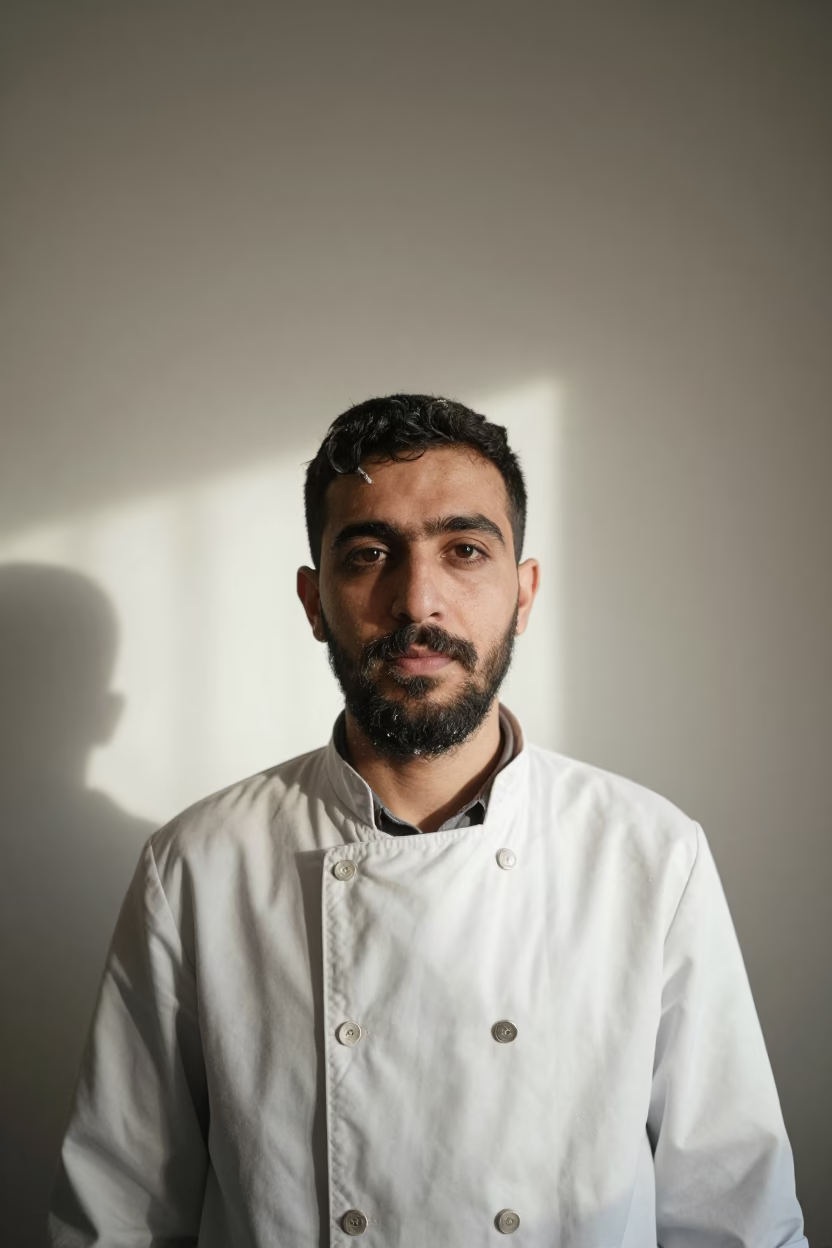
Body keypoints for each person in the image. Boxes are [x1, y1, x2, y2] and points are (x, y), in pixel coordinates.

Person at [49, 394, 807, 1247]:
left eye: (465, 550)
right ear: (312, 600)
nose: (419, 601)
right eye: (370, 553)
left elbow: (734, 1212)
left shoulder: (650, 853)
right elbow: (117, 1218)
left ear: (523, 594)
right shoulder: (196, 864)